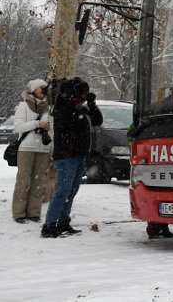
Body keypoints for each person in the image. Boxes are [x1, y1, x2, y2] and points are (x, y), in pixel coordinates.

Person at [41, 77, 103, 238]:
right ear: (73, 91)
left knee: (72, 191)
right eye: (81, 91)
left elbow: (98, 121)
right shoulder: (63, 105)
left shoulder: (81, 106)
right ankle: (49, 225)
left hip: (79, 155)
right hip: (66, 156)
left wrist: (92, 104)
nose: (84, 94)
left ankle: (63, 221)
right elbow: (66, 123)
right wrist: (74, 101)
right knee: (62, 191)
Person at [126, 121, 173, 240]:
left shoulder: (156, 121)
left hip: (160, 160)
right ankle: (154, 228)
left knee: (163, 194)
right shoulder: (142, 123)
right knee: (154, 193)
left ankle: (162, 227)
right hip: (151, 161)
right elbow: (131, 139)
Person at [11, 79, 52, 223]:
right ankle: (19, 213)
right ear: (33, 89)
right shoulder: (24, 105)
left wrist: (50, 139)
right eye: (40, 87)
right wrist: (37, 123)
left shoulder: (49, 107)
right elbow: (18, 127)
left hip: (43, 149)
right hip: (26, 148)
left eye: (45, 88)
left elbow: (52, 130)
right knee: (23, 181)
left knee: (38, 182)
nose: (43, 90)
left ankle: (34, 212)